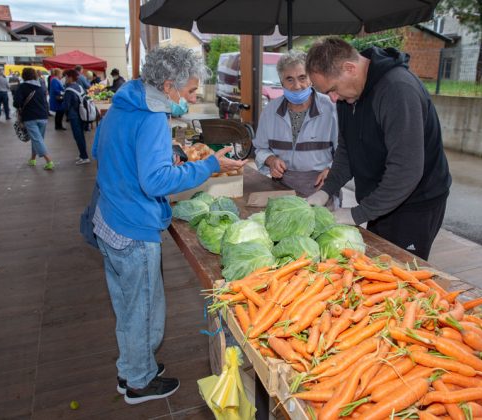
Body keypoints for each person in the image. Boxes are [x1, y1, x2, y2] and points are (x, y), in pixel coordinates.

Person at [92, 45, 246, 405]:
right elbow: (156, 182)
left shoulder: (123, 103)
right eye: (190, 90)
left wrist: (163, 158)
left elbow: (102, 151)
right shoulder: (152, 118)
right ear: (167, 86)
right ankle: (139, 382)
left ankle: (131, 367)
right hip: (134, 228)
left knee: (127, 307)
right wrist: (209, 166)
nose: (192, 98)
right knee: (144, 310)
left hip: (109, 220)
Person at [305, 37, 452, 260]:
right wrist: (326, 190)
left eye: (333, 89)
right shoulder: (348, 96)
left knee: (401, 269)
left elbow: (406, 170)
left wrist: (357, 214)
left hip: (415, 204)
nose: (333, 99)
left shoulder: (398, 90)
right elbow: (347, 150)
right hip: (380, 199)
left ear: (350, 68)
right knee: (377, 261)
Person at [253, 50, 338, 198]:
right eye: (289, 79)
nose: (297, 86)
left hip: (322, 186)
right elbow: (260, 148)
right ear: (282, 82)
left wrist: (332, 170)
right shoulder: (270, 111)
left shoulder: (331, 108)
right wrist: (271, 160)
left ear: (311, 79)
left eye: (302, 77)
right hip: (281, 188)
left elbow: (346, 150)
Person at [13, 67, 54, 170]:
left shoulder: (22, 87)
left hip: (30, 117)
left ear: (23, 76)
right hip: (43, 116)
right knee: (37, 139)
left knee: (37, 139)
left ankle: (49, 161)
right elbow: (45, 101)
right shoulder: (41, 86)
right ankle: (32, 159)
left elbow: (16, 103)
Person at [62, 69, 90, 164]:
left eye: (66, 77)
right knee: (81, 136)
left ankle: (85, 157)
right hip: (82, 114)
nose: (65, 79)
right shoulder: (79, 86)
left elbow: (66, 106)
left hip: (74, 116)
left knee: (78, 136)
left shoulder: (68, 90)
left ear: (70, 77)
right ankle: (82, 154)